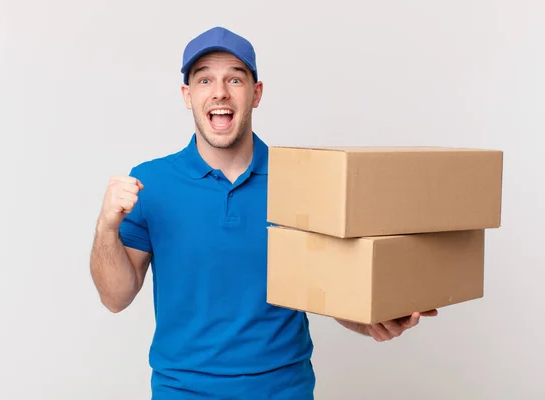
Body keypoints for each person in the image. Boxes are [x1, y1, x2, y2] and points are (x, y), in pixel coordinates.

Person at [90, 26, 438, 399]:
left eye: (234, 79)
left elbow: (325, 287)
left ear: (256, 94)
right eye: (205, 79)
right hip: (183, 390)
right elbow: (115, 298)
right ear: (187, 96)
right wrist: (106, 227)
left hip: (283, 390)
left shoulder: (301, 181)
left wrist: (371, 318)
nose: (220, 91)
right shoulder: (150, 183)